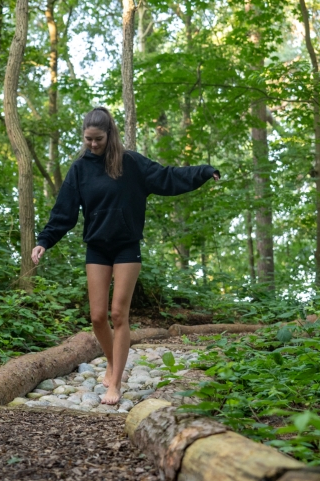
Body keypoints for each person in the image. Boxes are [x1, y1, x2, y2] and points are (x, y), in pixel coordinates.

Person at [31, 107, 220, 406]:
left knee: (119, 314)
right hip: (97, 247)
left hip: (126, 246)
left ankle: (115, 383)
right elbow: (63, 212)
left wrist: (204, 172)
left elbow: (167, 178)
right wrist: (44, 241)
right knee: (97, 318)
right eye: (88, 140)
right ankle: (112, 360)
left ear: (110, 135)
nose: (93, 145)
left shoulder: (131, 163)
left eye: (98, 139)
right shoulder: (79, 169)